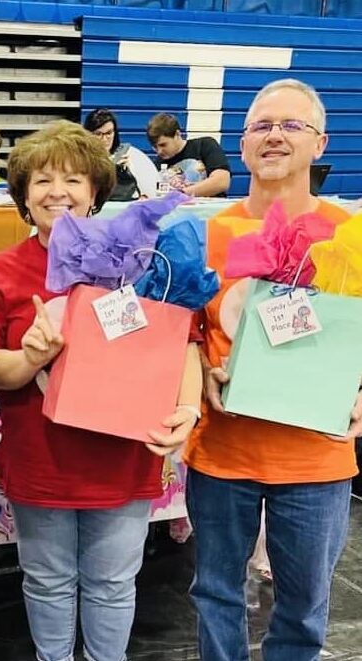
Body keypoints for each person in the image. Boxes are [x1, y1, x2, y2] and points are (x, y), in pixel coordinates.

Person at [0, 120, 203, 661]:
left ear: (96, 191)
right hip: (40, 458)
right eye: (43, 179)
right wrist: (30, 355)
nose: (59, 191)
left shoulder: (139, 264)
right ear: (23, 195)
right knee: (47, 581)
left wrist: (187, 406)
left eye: (74, 179)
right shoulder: (0, 272)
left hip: (123, 456)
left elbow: (183, 342)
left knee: (114, 584)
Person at [184, 78, 362, 661]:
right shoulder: (206, 233)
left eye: (292, 125)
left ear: (320, 143)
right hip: (222, 453)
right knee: (216, 596)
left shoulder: (353, 237)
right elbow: (185, 332)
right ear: (242, 145)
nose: (275, 136)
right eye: (262, 125)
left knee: (305, 608)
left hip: (317, 457)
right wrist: (198, 373)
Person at [146, 112, 231, 197]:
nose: (159, 151)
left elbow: (222, 181)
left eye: (163, 145)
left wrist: (180, 195)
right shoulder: (157, 166)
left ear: (177, 134)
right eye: (155, 147)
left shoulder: (204, 146)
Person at [84, 108, 157, 200]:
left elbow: (140, 193)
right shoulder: (81, 159)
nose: (105, 139)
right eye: (98, 134)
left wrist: (125, 172)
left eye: (109, 133)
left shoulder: (127, 155)